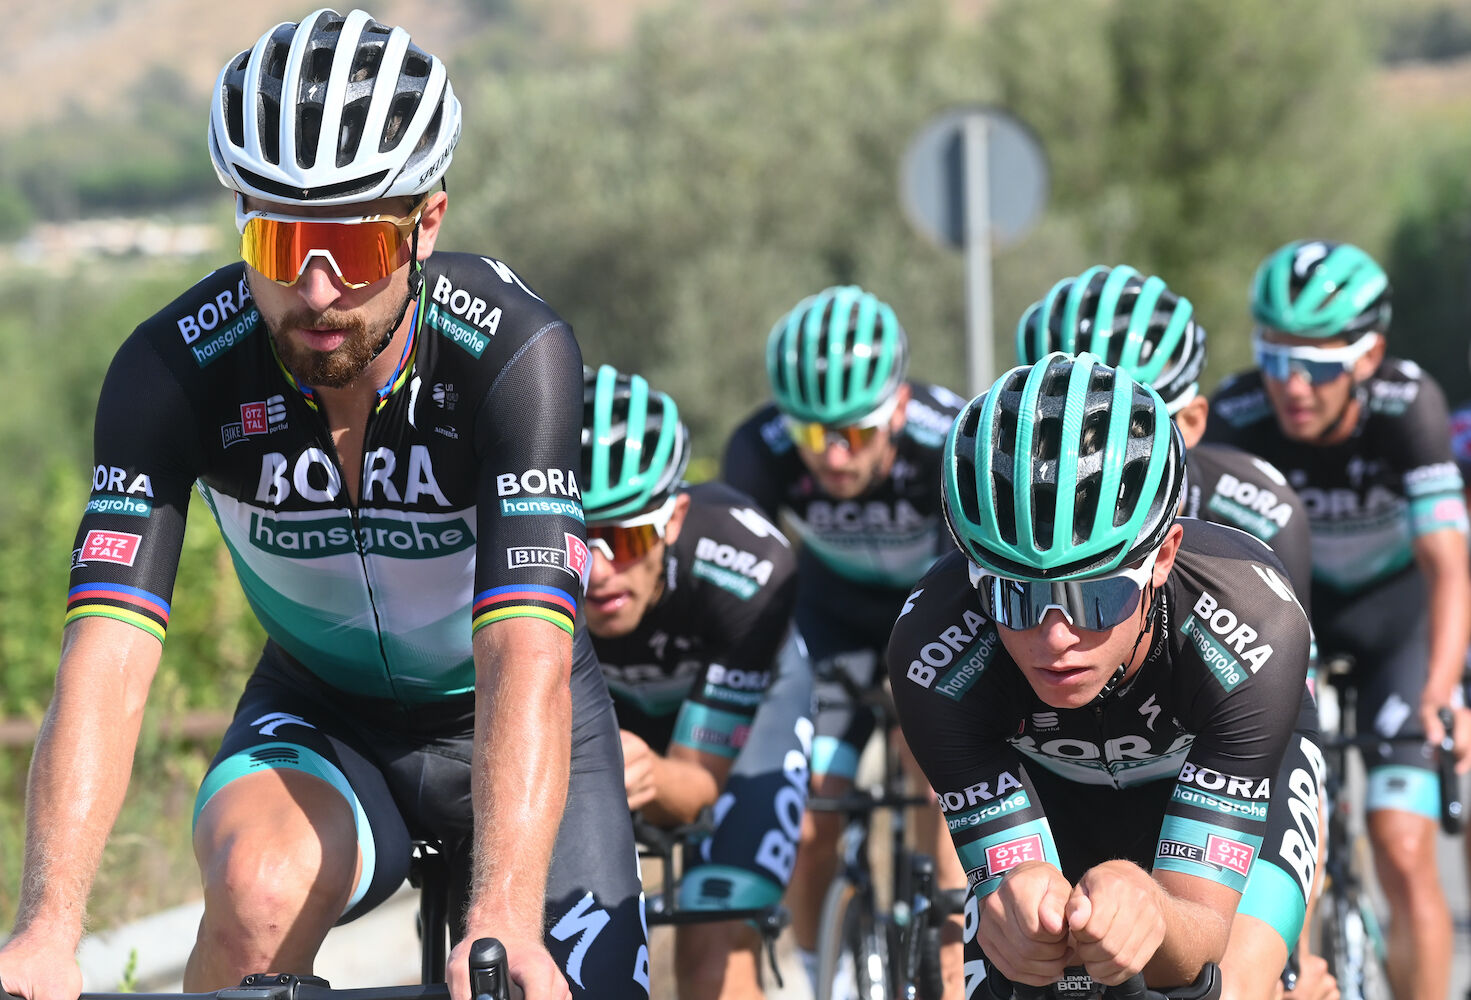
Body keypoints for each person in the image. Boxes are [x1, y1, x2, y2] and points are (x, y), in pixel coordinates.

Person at [0, 10, 645, 1000]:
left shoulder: (512, 355)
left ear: (427, 223)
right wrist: (47, 932)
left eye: (356, 243)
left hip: (506, 708)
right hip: (323, 716)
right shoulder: (173, 371)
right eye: (282, 238)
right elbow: (108, 658)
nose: (315, 287)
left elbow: (525, 651)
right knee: (256, 892)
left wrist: (506, 922)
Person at [890, 351, 1320, 996]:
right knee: (1023, 963)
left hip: (1217, 767)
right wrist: (1021, 908)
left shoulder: (1251, 625)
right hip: (1053, 790)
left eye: (1098, 596)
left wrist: (1152, 907)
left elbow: (1198, 938)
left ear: (1162, 557)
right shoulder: (934, 654)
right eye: (1013, 595)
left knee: (1234, 985)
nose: (1056, 638)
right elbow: (1019, 899)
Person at [1015, 265, 1331, 1000]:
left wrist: (1282, 952)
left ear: (1188, 423)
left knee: (1241, 983)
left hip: (1235, 744)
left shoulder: (1259, 512)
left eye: (1131, 415)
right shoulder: (1010, 517)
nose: (1087, 444)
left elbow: (1282, 721)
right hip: (1083, 760)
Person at [1205, 239, 1471, 1000]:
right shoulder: (1235, 413)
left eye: (1318, 366)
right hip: (1292, 619)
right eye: (1274, 357)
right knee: (1291, 849)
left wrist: (1444, 693)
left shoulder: (1408, 405)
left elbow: (1447, 565)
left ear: (1369, 355)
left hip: (1397, 622)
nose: (1292, 385)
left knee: (1402, 844)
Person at [721, 285, 968, 996]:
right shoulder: (759, 449)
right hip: (828, 622)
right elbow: (742, 585)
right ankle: (815, 976)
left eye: (854, 435)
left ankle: (950, 957)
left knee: (941, 786)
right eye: (811, 436)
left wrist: (916, 680)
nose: (831, 456)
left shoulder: (948, 440)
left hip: (936, 612)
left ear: (897, 408)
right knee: (807, 822)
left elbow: (971, 587)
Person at [578, 365, 812, 999]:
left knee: (711, 950)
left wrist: (650, 775)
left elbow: (696, 787)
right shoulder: (508, 561)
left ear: (674, 519)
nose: (599, 570)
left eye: (627, 537)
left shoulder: (747, 569)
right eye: (574, 536)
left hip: (744, 720)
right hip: (614, 720)